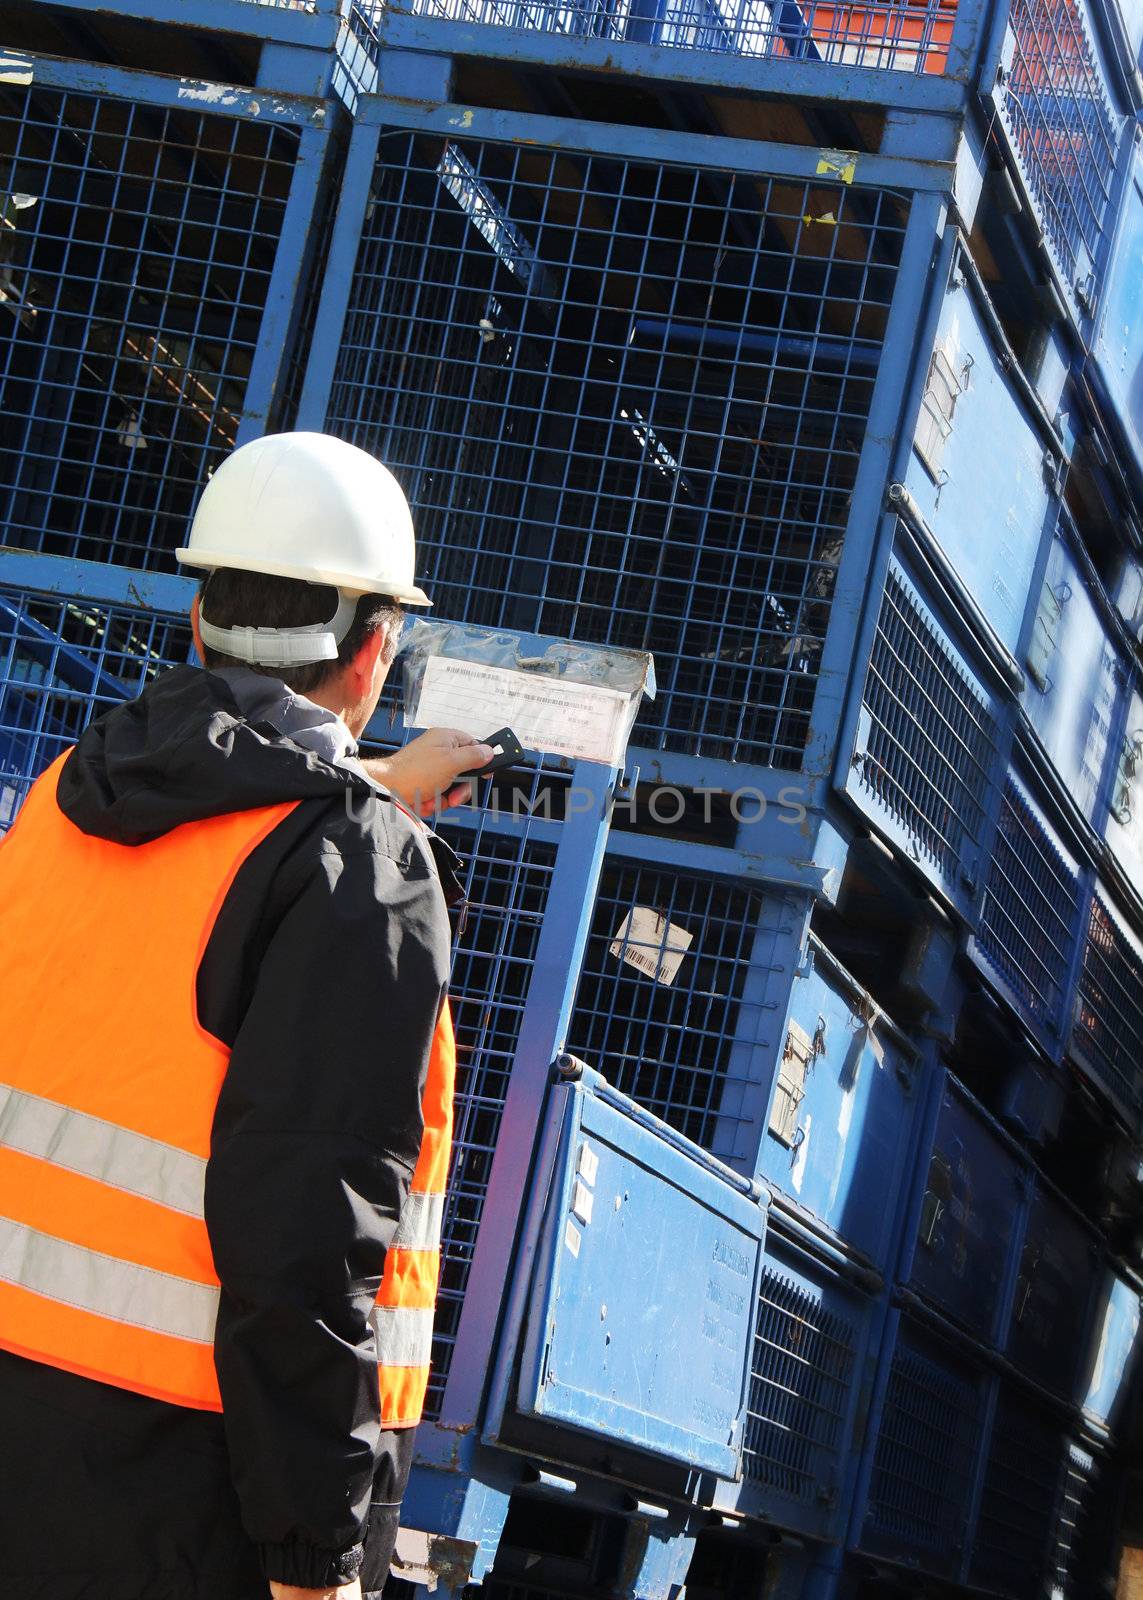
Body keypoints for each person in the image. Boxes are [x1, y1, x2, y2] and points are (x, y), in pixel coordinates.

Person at [0, 433, 490, 1600]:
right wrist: (314, 1552)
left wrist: (361, 793)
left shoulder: (62, 799)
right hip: (182, 1489)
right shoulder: (357, 867)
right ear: (374, 653)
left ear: (195, 617)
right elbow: (304, 1248)